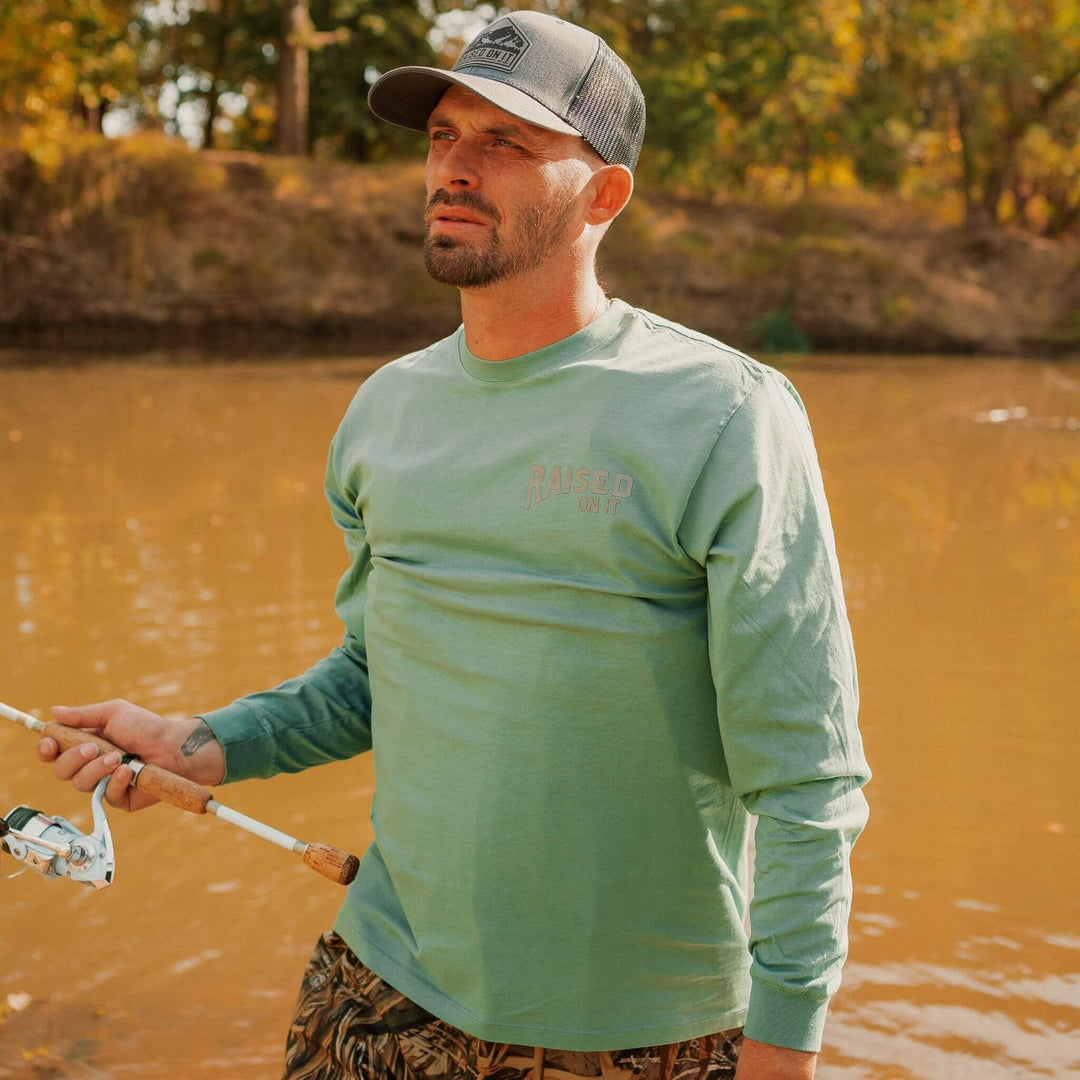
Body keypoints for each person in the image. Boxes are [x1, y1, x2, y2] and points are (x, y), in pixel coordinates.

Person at [39, 12, 870, 1080]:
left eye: (507, 143)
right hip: (375, 988)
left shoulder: (725, 416)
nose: (455, 168)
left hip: (639, 1039)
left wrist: (784, 1046)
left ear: (605, 194)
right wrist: (196, 744)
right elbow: (381, 675)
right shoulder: (386, 411)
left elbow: (806, 775)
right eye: (442, 136)